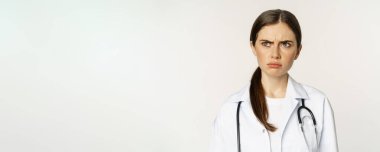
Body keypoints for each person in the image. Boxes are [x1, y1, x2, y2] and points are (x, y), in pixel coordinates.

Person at [209, 9, 338, 152]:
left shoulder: (317, 103)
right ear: (253, 47)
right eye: (266, 43)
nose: (275, 54)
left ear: (298, 51)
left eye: (286, 44)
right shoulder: (231, 109)